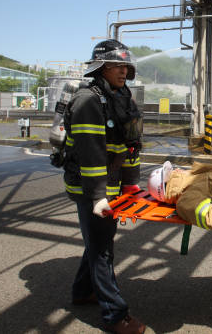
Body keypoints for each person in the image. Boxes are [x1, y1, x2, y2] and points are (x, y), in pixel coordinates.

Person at [62, 39, 145, 334]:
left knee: (99, 242)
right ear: (101, 67)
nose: (123, 70)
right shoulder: (88, 101)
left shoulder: (123, 96)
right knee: (102, 250)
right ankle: (115, 316)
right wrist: (98, 197)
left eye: (125, 65)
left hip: (111, 185)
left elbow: (131, 144)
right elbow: (92, 153)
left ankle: (83, 292)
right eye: (115, 65)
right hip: (89, 187)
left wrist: (131, 185)